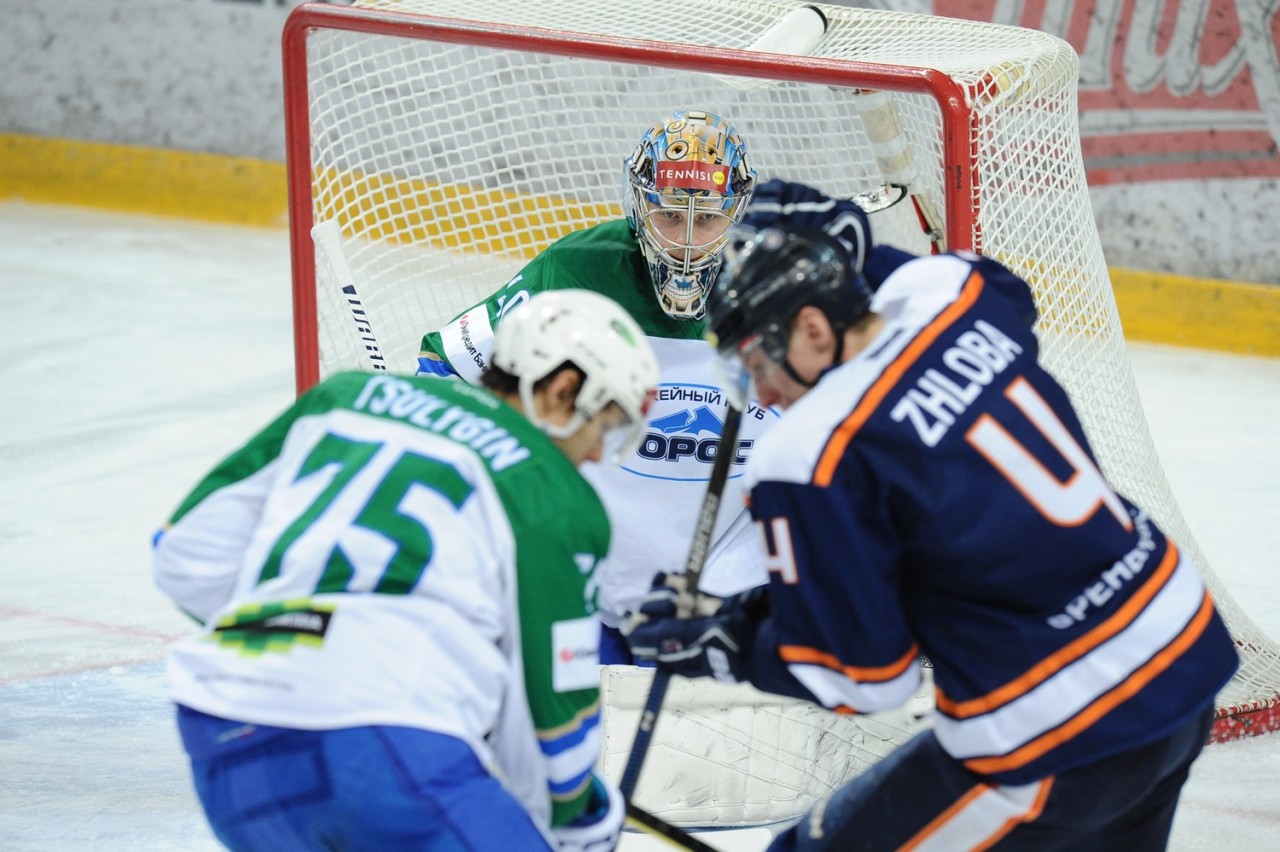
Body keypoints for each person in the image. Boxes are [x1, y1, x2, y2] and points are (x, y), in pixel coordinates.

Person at [625, 225, 1239, 850]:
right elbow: (1005, 289)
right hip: (1183, 657)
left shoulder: (810, 449)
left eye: (758, 362)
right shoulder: (952, 301)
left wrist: (727, 642)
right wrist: (848, 237)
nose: (761, 392)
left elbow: (867, 678)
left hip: (1061, 727)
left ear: (813, 329)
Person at [153, 289, 659, 851]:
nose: (597, 454)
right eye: (606, 425)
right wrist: (585, 817)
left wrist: (295, 624)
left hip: (224, 733)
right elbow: (556, 738)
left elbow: (181, 555)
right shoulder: (557, 496)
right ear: (562, 389)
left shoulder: (344, 395)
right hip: (385, 740)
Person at [415, 109, 901, 663]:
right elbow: (449, 365)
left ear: (738, 213)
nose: (686, 243)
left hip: (730, 605)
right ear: (639, 203)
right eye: (669, 215)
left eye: (707, 219)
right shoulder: (579, 270)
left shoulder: (785, 286)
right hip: (590, 586)